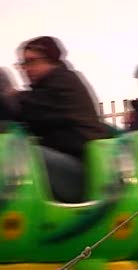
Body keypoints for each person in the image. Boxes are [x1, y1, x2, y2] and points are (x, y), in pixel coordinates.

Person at [12, 36, 109, 203]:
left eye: (31, 61)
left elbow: (24, 107)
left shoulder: (62, 82)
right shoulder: (44, 89)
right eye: (23, 64)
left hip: (85, 172)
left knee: (19, 156)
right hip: (71, 164)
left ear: (52, 60)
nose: (26, 69)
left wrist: (8, 97)